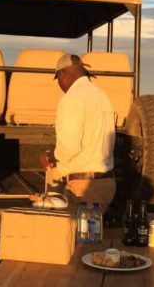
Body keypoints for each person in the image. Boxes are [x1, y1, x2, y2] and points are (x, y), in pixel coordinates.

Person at [39, 54, 116, 210]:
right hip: (105, 183)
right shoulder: (101, 95)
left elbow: (70, 147)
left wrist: (49, 157)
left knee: (75, 233)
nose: (60, 84)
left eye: (58, 79)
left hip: (84, 189)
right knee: (93, 233)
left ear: (62, 74)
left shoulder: (72, 98)